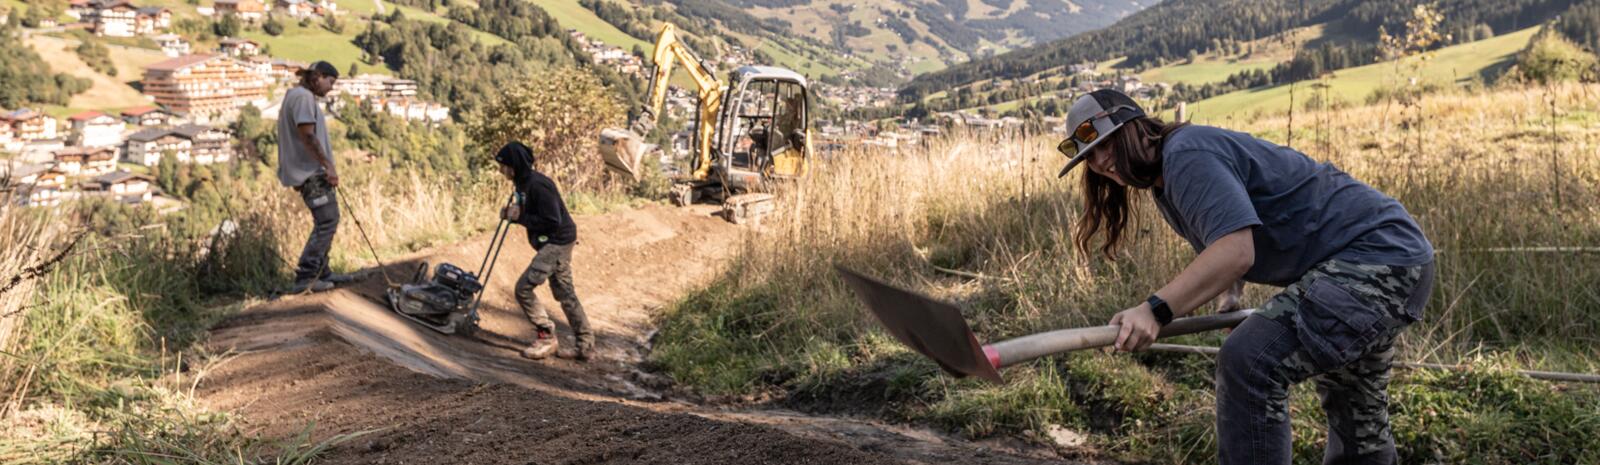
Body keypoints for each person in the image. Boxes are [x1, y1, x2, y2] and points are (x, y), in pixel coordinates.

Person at [1057, 89, 1434, 465]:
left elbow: (1235, 251)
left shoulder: (1185, 156)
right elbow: (1230, 233)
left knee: (1248, 362)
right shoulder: (1171, 172)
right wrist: (1230, 298)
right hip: (1396, 258)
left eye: (1107, 142)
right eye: (1089, 156)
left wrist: (1153, 311)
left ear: (1136, 126)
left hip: (1374, 259)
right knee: (1356, 418)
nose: (1101, 160)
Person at [493, 141, 592, 361]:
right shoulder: (523, 184)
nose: (501, 171)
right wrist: (515, 214)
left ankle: (546, 336)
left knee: (523, 289)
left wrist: (520, 218)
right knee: (566, 294)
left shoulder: (538, 185)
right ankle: (585, 346)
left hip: (557, 242)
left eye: (504, 166)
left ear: (514, 166)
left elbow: (552, 221)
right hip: (555, 241)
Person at [277, 60, 352, 294]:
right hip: (310, 172)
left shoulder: (296, 95)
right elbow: (307, 136)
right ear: (318, 76)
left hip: (307, 171)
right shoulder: (303, 98)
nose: (330, 88)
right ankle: (306, 276)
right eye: (330, 82)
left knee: (329, 218)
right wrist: (328, 165)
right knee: (327, 220)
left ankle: (323, 271)